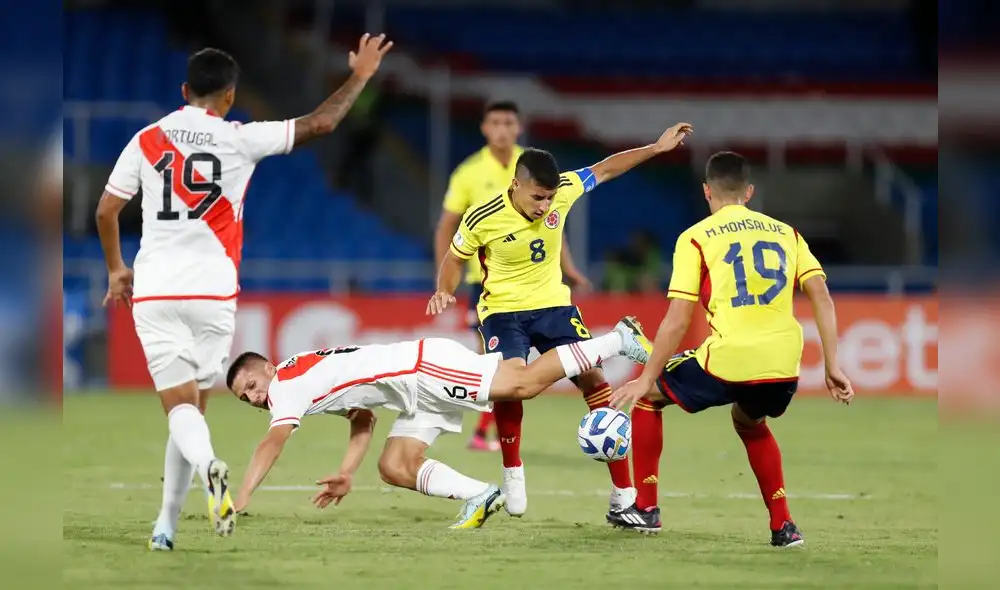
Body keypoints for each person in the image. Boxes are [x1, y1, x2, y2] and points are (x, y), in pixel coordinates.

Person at [94, 34, 394, 551]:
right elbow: (322, 122)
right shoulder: (239, 137)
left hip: (157, 289)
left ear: (184, 89)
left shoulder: (146, 139)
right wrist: (361, 75)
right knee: (195, 405)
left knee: (179, 409)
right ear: (230, 95)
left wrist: (118, 269)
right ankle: (168, 520)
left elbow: (105, 210)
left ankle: (177, 509)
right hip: (213, 292)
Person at [426, 123, 693, 521]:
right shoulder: (482, 217)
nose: (546, 206)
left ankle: (623, 495)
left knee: (595, 380)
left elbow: (605, 168)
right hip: (502, 312)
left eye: (551, 198)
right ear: (516, 185)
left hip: (553, 306)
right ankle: (512, 472)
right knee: (511, 386)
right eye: (538, 197)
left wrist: (655, 147)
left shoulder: (564, 190)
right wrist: (444, 289)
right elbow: (455, 258)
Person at [607, 151, 855, 546]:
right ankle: (783, 526)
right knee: (750, 421)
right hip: (783, 363)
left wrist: (645, 378)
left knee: (648, 398)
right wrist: (832, 365)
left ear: (707, 191)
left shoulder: (696, 237)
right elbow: (821, 294)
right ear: (750, 192)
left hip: (729, 358)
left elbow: (677, 319)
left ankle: (647, 509)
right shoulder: (786, 233)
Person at [224, 319, 649, 528]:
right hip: (413, 388)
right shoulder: (300, 378)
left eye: (251, 384)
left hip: (424, 371)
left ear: (267, 366)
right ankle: (481, 496)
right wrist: (346, 472)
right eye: (246, 397)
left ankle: (618, 339)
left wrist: (240, 497)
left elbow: (271, 444)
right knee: (394, 465)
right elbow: (364, 416)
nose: (254, 397)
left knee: (521, 385)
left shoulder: (285, 386)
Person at [432, 100, 591, 452]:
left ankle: (481, 430)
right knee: (495, 364)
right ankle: (481, 429)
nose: (502, 129)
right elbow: (449, 226)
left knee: (508, 368)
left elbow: (551, 224)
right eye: (495, 123)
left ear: (518, 128)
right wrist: (442, 283)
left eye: (508, 122)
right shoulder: (468, 173)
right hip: (486, 284)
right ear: (484, 129)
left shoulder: (537, 166)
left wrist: (569, 267)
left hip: (539, 287)